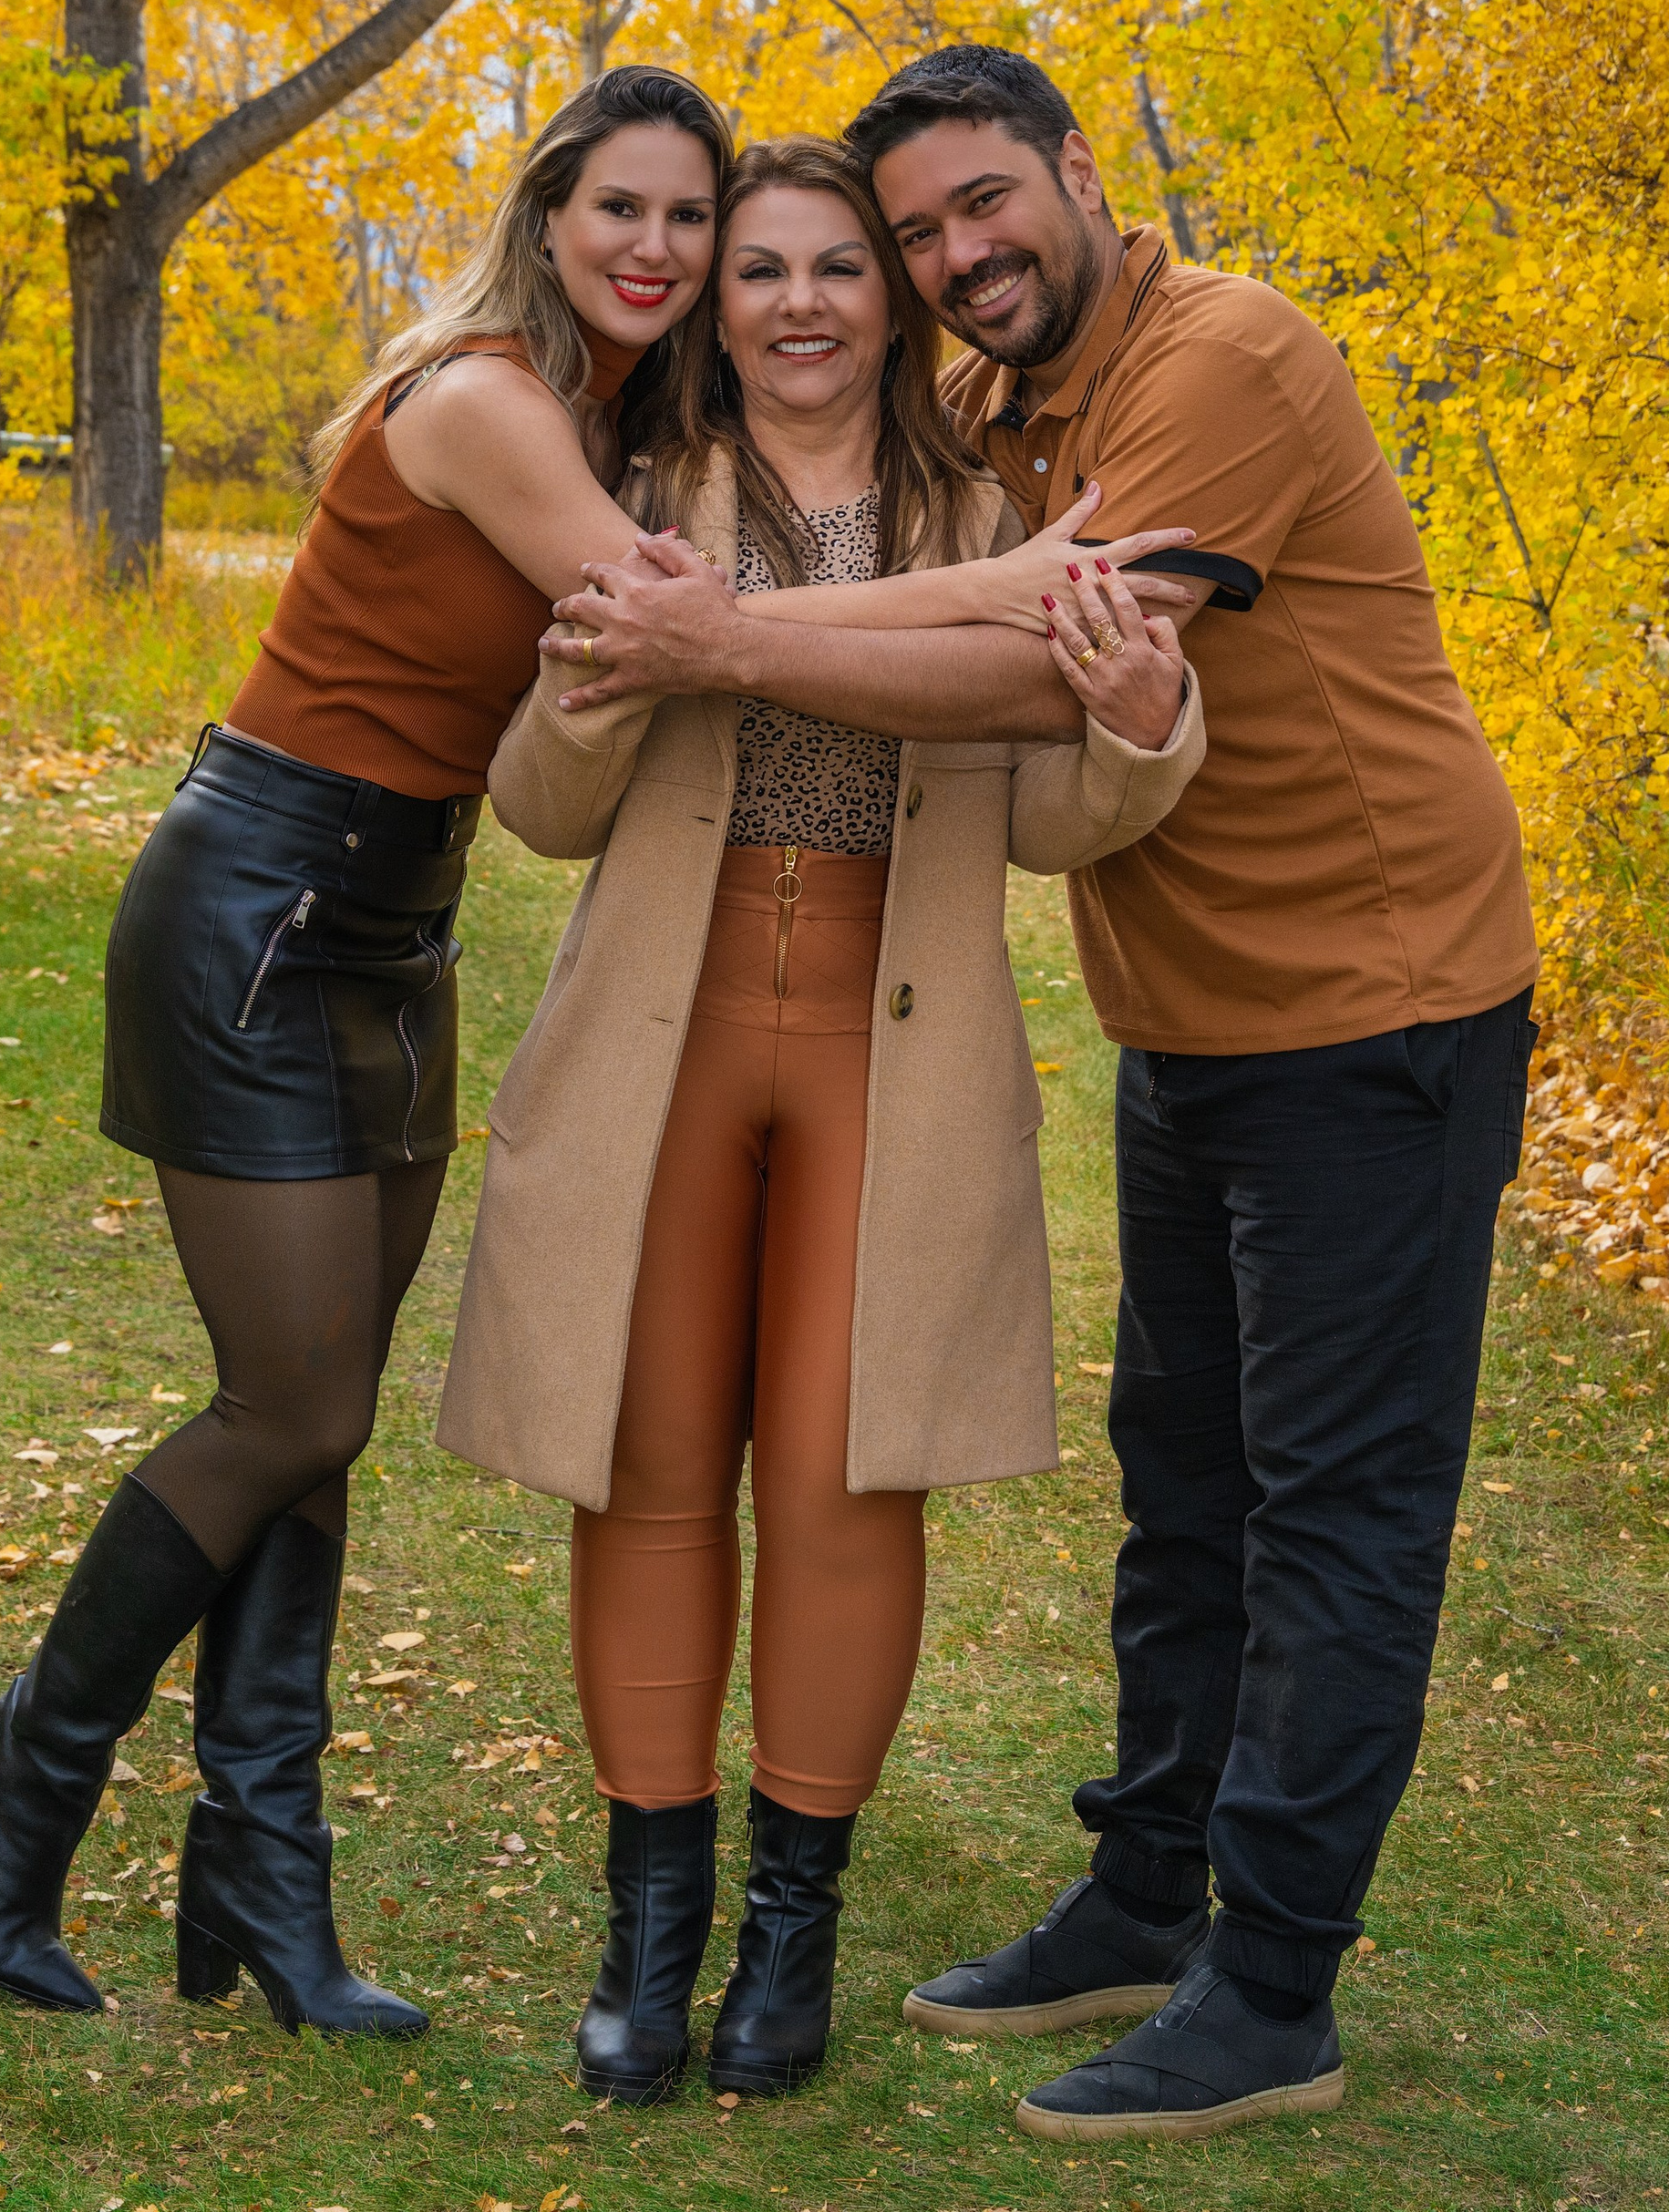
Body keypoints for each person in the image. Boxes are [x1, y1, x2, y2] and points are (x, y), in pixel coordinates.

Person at [542, 45, 1539, 2148]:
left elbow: (1031, 671)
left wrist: (732, 637)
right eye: (913, 233)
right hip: (1189, 1013)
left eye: (976, 204)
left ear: (1081, 172)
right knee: (1183, 1488)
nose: (950, 255)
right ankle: (1142, 1898)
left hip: (1373, 1004)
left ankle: (1269, 1989)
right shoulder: (998, 411)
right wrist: (805, 602)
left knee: (1331, 1510)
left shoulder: (1219, 357)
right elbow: (1000, 627)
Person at [0, 64, 733, 2032]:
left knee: (320, 1402)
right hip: (257, 909)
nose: (656, 246)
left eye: (688, 216)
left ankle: (263, 1873)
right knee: (289, 1407)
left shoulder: (611, 420)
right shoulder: (487, 401)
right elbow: (666, 612)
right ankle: (33, 1763)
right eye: (620, 206)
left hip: (395, 921)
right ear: (547, 214)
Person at [437, 134, 1207, 2109]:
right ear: (721, 305)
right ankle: (650, 1930)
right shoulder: (638, 500)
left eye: (836, 266)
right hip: (667, 1037)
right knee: (648, 1466)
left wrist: (1138, 724)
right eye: (758, 268)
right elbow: (541, 807)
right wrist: (604, 675)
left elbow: (1052, 813)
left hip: (893, 1042)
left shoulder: (994, 515)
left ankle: (792, 1929)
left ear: (891, 297)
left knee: (849, 1482)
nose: (796, 301)